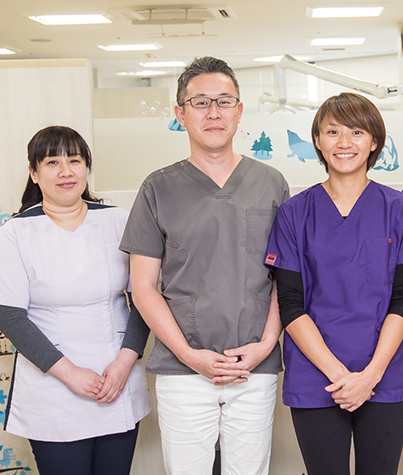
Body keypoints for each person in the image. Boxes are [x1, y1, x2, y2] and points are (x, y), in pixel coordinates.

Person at [119, 57, 289, 475]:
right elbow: (142, 287)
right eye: (200, 102)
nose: (214, 112)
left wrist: (266, 345)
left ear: (239, 110)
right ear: (180, 113)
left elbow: (287, 278)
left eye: (224, 101)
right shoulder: (157, 188)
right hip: (182, 370)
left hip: (254, 365)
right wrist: (188, 355)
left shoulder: (272, 184)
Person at [264, 92, 403, 475]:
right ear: (318, 141)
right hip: (316, 374)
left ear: (374, 142)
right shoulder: (295, 213)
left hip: (384, 372)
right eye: (332, 131)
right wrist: (341, 377)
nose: (344, 142)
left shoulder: (402, 210)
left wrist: (370, 375)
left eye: (357, 132)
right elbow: (290, 303)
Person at [0, 126, 151, 475]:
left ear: (86, 167)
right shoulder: (15, 233)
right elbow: (9, 315)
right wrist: (69, 374)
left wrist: (124, 363)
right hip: (52, 387)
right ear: (34, 173)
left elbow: (143, 298)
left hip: (117, 379)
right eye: (52, 162)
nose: (66, 171)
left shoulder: (117, 220)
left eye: (75, 160)